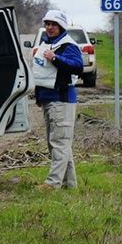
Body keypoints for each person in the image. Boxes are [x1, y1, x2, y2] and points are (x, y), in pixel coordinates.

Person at [31, 10, 83, 190]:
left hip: (62, 100)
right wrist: (40, 97)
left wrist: (56, 58)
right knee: (59, 144)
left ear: (61, 26)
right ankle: (69, 184)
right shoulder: (47, 43)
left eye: (53, 24)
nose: (49, 27)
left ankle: (52, 184)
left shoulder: (68, 45)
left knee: (59, 144)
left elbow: (78, 67)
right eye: (47, 24)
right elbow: (41, 74)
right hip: (48, 99)